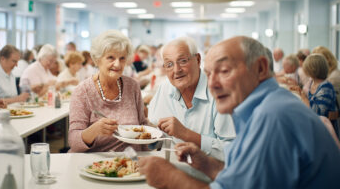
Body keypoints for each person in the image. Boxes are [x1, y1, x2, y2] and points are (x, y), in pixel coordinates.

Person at [139, 36, 340, 189]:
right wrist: (208, 164)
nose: (213, 84)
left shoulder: (273, 116)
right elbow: (242, 180)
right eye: (209, 74)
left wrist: (170, 178)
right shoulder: (262, 107)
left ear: (261, 68)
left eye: (224, 71)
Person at [148, 37, 235, 160]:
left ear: (198, 60)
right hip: (172, 168)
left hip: (209, 174)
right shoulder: (164, 88)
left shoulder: (220, 91)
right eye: (169, 64)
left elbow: (233, 150)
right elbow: (155, 136)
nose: (177, 70)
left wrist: (185, 134)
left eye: (183, 61)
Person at [68, 30, 148, 152]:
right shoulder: (82, 91)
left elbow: (143, 126)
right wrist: (94, 130)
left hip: (132, 162)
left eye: (122, 58)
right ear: (97, 59)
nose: (117, 64)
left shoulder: (132, 86)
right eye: (111, 57)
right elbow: (73, 141)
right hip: (96, 165)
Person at [302, 53, 338, 133]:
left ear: (312, 69)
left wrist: (304, 97)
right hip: (314, 127)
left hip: (325, 133)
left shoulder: (326, 87)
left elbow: (317, 114)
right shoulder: (312, 83)